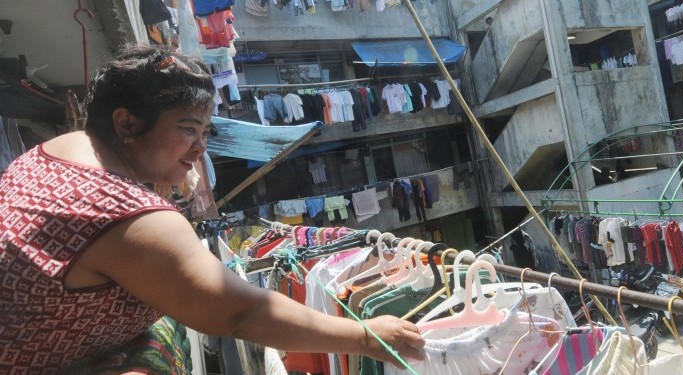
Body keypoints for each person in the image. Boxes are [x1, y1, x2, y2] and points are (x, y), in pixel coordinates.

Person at [0, 45, 425, 373]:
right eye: (188, 130)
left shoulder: (58, 150)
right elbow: (241, 311)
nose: (200, 150)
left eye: (205, 132)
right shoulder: (126, 213)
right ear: (127, 124)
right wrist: (369, 337)